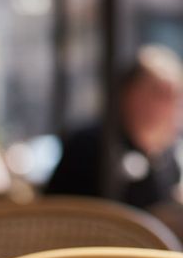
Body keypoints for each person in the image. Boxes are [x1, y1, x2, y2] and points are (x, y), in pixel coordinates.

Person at [46, 45, 183, 207]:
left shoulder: (166, 158)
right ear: (129, 95)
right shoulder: (91, 147)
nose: (171, 106)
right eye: (160, 94)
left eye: (176, 97)